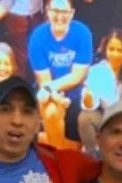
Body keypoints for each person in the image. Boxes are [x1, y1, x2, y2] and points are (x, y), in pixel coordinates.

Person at [27, 0, 94, 146]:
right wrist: (55, 96)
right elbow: (43, 80)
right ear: (47, 11)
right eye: (55, 11)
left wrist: (49, 89)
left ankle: (56, 149)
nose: (60, 16)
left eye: (64, 12)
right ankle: (59, 159)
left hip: (77, 93)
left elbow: (78, 76)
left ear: (72, 13)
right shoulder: (38, 37)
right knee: (51, 112)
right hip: (50, 93)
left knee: (76, 141)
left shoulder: (82, 33)